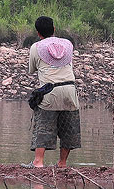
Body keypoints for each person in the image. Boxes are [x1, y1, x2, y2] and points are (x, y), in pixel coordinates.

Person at [28, 16, 80, 168]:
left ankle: (38, 162)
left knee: (43, 125)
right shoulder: (68, 44)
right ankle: (62, 163)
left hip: (50, 92)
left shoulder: (36, 47)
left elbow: (32, 70)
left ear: (38, 33)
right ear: (54, 29)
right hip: (70, 90)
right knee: (69, 127)